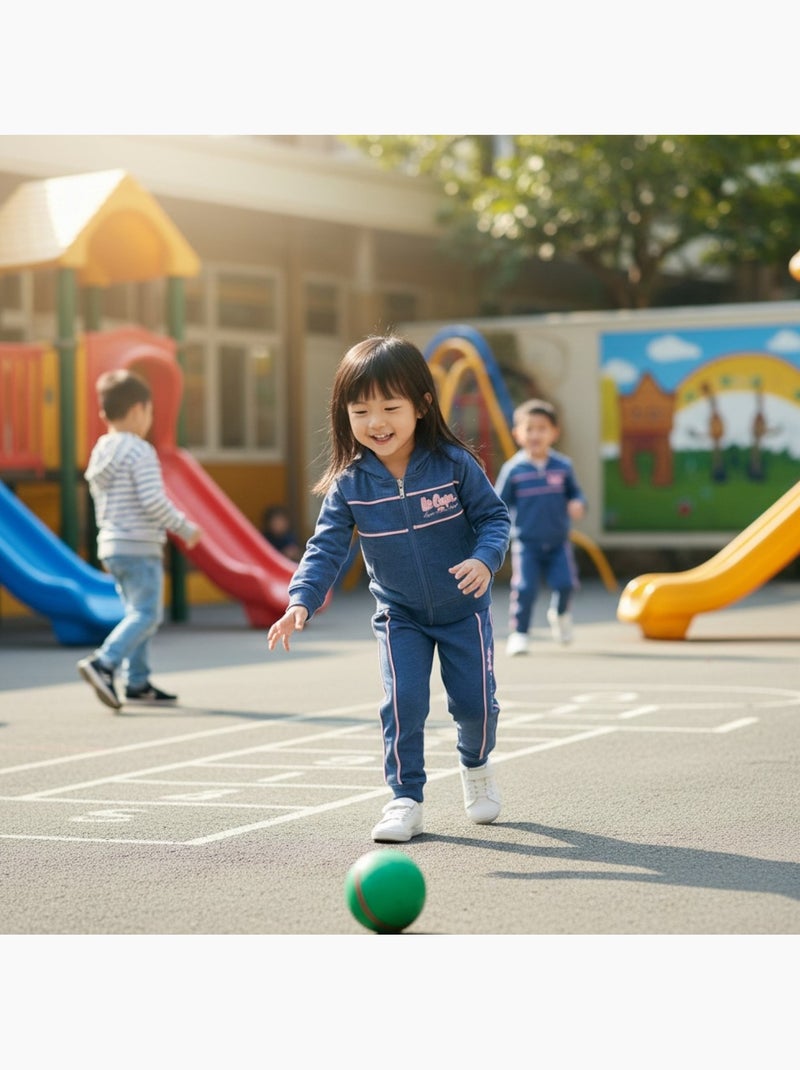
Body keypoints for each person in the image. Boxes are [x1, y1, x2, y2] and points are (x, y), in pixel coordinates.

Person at [267, 336, 510, 843]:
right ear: (344, 416)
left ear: (422, 406)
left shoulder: (453, 464)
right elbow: (324, 548)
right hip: (400, 615)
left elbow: (493, 519)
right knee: (403, 702)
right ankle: (405, 798)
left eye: (390, 407)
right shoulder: (350, 484)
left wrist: (485, 562)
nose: (376, 422)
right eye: (360, 411)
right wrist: (300, 601)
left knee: (475, 706)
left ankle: (476, 764)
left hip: (464, 611)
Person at [77, 369, 202, 710]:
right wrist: (185, 527)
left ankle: (137, 681)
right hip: (139, 545)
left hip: (112, 547)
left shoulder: (101, 450)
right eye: (149, 413)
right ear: (137, 410)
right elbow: (153, 501)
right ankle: (104, 662)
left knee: (137, 613)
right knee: (147, 615)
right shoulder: (140, 452)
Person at [494, 398, 586, 656]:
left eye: (542, 428)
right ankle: (520, 634)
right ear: (517, 434)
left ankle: (561, 615)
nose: (535, 434)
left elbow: (577, 495)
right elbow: (498, 503)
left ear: (554, 433)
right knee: (524, 588)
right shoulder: (514, 470)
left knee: (566, 583)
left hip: (558, 542)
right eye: (529, 428)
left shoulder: (563, 467)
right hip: (527, 543)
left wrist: (578, 504)